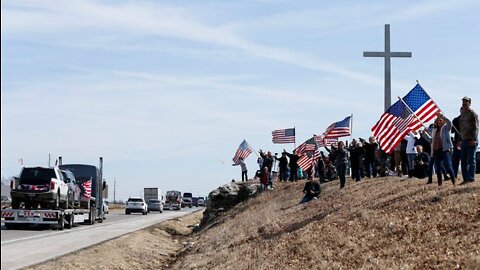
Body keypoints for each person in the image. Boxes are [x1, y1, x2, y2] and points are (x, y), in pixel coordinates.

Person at [431, 112, 456, 186]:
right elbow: (431, 140)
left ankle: (453, 180)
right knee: (438, 168)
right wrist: (424, 135)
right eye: (438, 120)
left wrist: (442, 116)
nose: (439, 121)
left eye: (441, 120)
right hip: (436, 151)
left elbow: (449, 123)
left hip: (444, 150)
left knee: (448, 166)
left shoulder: (446, 128)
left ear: (443, 121)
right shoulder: (435, 130)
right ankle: (440, 183)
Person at [459, 96, 479, 184]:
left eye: (466, 102)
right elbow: (461, 128)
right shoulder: (462, 114)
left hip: (471, 140)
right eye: (463, 101)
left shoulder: (472, 113)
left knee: (471, 160)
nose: (464, 103)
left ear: (469, 103)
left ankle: (471, 178)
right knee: (463, 161)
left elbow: (476, 127)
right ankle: (465, 179)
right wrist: (460, 140)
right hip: (463, 140)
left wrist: (474, 139)